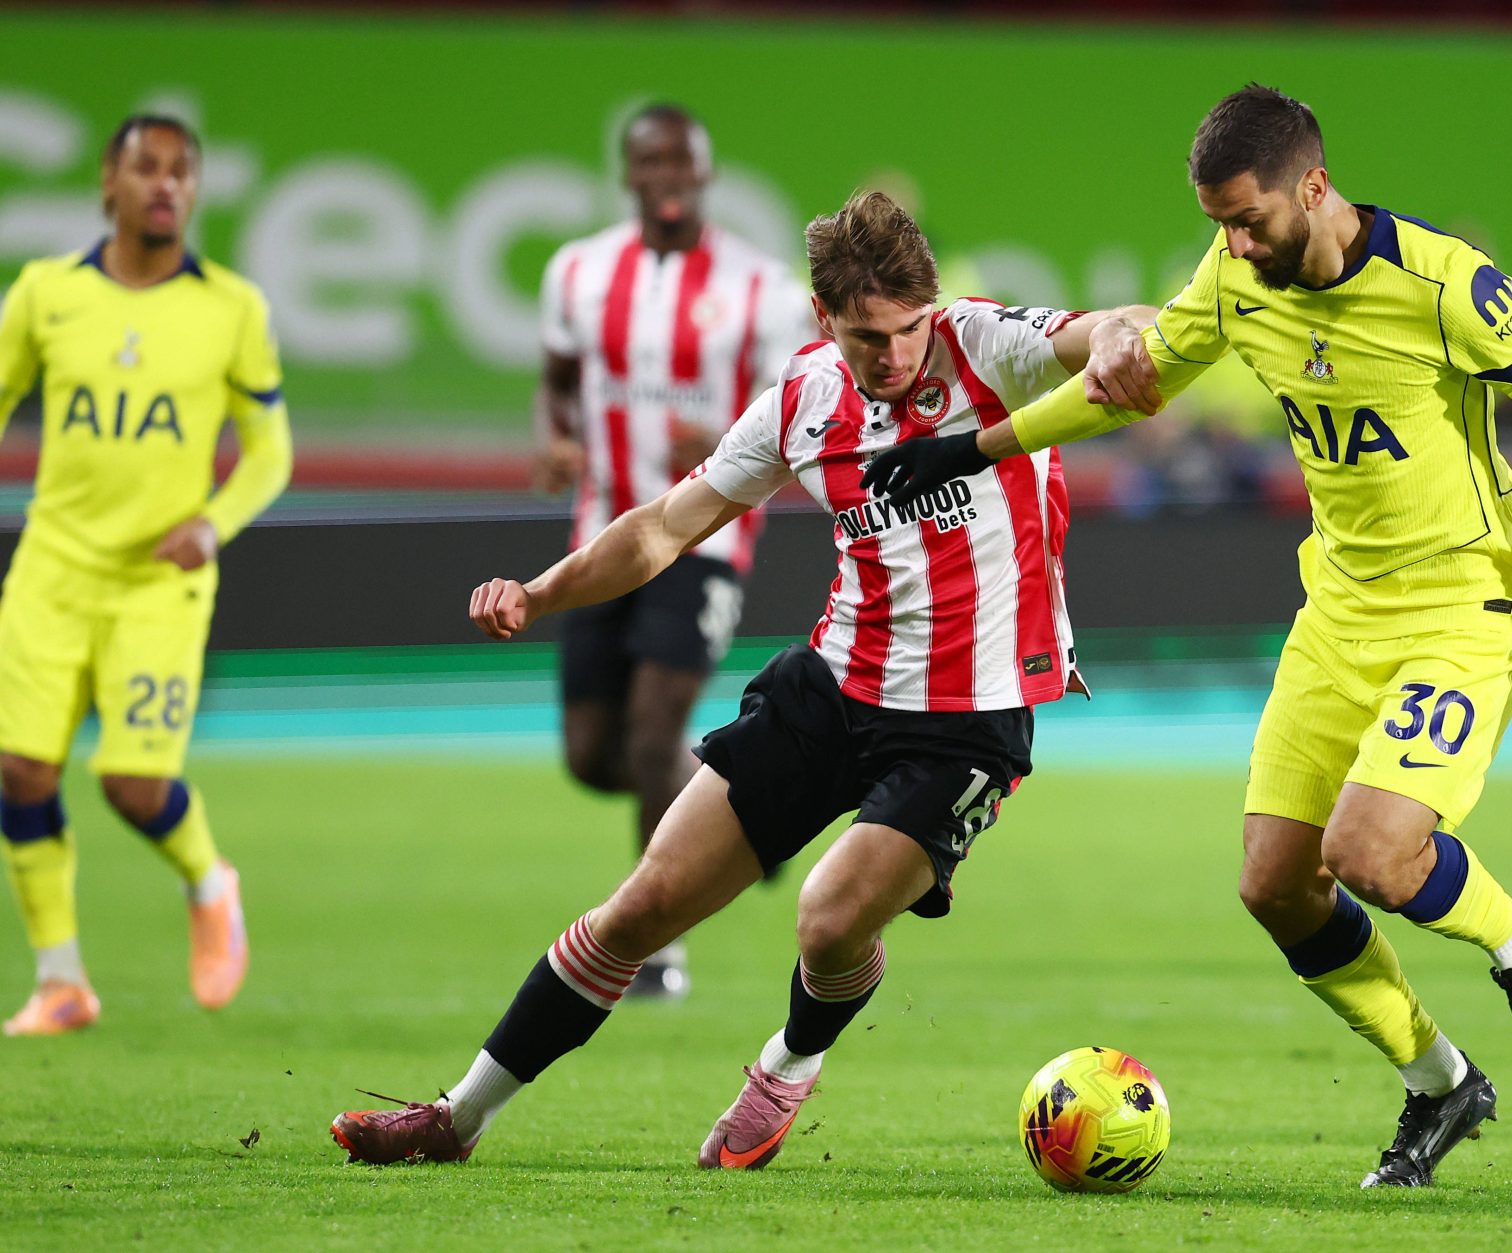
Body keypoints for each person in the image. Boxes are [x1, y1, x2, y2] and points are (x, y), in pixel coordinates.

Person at [863, 85, 1512, 1189]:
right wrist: (973, 448)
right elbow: (1131, 387)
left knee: (1372, 854)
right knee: (1274, 883)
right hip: (1336, 609)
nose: (1233, 246)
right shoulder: (1234, 277)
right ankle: (1440, 1081)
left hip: (1461, 602)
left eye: (1249, 221)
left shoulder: (1445, 286)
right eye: (1217, 227)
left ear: (1314, 187)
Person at [330, 190, 1160, 1167]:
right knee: (639, 906)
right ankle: (455, 1116)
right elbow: (661, 527)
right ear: (823, 323)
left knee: (828, 917)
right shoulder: (806, 399)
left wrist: (1119, 339)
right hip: (830, 688)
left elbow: (1120, 325)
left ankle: (787, 1062)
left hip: (965, 719)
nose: (889, 358)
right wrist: (540, 591)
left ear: (931, 313)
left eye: (903, 333)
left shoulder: (984, 346)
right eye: (864, 338)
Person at [0, 115, 292, 1035]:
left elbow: (271, 449)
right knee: (20, 768)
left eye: (181, 172)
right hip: (51, 567)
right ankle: (61, 981)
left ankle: (210, 881)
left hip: (158, 583)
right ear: (108, 184)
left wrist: (214, 523)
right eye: (146, 168)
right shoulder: (46, 293)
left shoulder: (232, 307)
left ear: (195, 192)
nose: (165, 184)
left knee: (130, 784)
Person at [532, 102, 813, 998]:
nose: (667, 177)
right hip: (601, 530)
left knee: (654, 738)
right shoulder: (577, 272)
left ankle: (657, 950)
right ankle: (744, 814)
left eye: (682, 163)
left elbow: (797, 398)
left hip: (700, 536)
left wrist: (728, 434)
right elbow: (558, 380)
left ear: (704, 173)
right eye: (651, 162)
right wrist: (556, 439)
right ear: (629, 172)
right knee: (589, 753)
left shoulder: (758, 284)